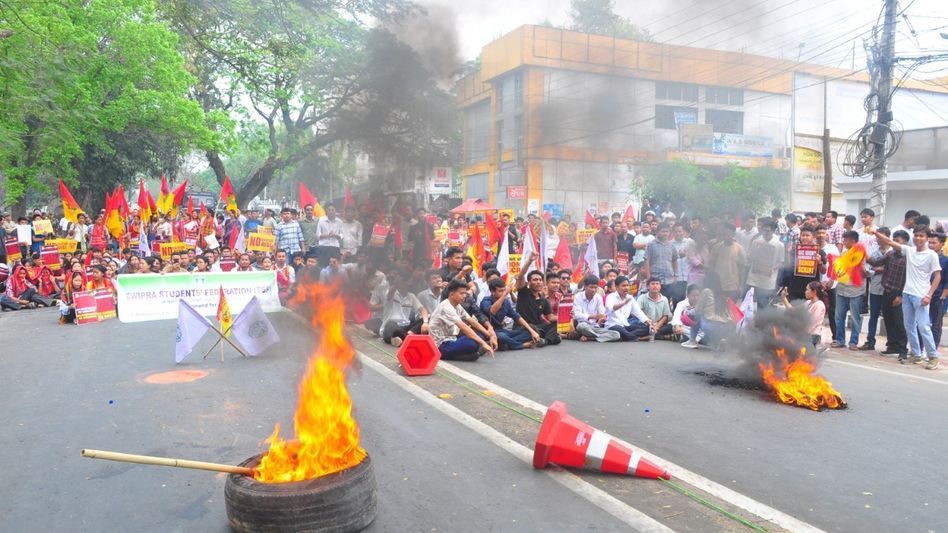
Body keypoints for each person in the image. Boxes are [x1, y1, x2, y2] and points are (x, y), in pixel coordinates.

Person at [870, 226, 941, 369]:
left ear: (927, 238)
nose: (918, 238)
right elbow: (890, 242)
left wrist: (929, 295)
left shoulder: (931, 255)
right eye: (916, 235)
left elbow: (937, 276)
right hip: (907, 294)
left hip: (921, 296)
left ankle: (933, 356)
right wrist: (875, 233)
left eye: (921, 236)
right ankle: (916, 355)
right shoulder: (909, 251)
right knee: (909, 326)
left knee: (923, 326)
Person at [427, 279, 495, 361]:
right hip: (441, 345)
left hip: (452, 339)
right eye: (461, 293)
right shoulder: (446, 307)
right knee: (472, 344)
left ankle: (472, 354)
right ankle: (455, 355)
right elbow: (463, 327)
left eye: (465, 293)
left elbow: (472, 321)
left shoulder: (457, 305)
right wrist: (483, 343)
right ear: (452, 294)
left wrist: (489, 335)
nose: (464, 296)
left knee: (480, 335)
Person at [480, 279, 543, 350]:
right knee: (502, 337)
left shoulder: (506, 302)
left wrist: (531, 331)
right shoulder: (486, 300)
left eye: (504, 290)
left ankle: (505, 344)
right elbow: (492, 311)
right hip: (488, 332)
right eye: (500, 291)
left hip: (501, 331)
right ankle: (520, 345)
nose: (503, 292)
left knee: (529, 333)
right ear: (492, 292)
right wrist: (505, 294)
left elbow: (517, 317)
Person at [514, 253, 561, 345]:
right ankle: (548, 337)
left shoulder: (544, 300)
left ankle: (544, 340)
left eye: (540, 280)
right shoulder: (523, 292)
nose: (538, 282)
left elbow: (551, 317)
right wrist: (530, 261)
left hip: (538, 326)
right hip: (523, 326)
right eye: (535, 280)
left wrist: (566, 317)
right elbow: (521, 276)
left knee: (555, 325)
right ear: (528, 282)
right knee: (532, 329)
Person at [373, 269, 428, 347]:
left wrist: (425, 322)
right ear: (402, 283)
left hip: (405, 328)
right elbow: (389, 294)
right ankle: (407, 338)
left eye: (410, 282)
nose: (410, 284)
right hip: (391, 328)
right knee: (390, 324)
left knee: (426, 319)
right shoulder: (391, 293)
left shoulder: (411, 296)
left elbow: (423, 309)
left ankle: (403, 338)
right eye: (408, 282)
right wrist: (397, 282)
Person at [682, 273, 732, 349]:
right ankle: (720, 341)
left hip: (711, 325)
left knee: (697, 316)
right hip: (726, 326)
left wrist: (687, 313)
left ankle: (692, 341)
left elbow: (697, 309)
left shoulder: (707, 291)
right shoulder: (722, 294)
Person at [746, 218, 784, 309]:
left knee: (764, 302)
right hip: (755, 277)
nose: (765, 233)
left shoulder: (779, 245)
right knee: (751, 301)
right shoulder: (756, 242)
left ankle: (762, 320)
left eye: (768, 231)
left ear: (773, 231)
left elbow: (781, 262)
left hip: (768, 279)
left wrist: (772, 268)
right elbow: (750, 257)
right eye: (764, 230)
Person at [571, 275, 621, 342]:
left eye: (595, 287)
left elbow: (602, 313)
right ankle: (598, 337)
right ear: (585, 286)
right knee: (582, 326)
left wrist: (602, 319)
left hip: (595, 327)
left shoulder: (598, 297)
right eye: (591, 287)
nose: (593, 290)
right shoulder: (578, 297)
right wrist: (594, 316)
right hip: (583, 326)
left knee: (616, 334)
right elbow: (577, 315)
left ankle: (590, 337)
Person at [604, 276, 651, 341]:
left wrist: (647, 321)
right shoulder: (611, 297)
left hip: (625, 325)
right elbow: (611, 308)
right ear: (617, 287)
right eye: (623, 286)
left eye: (627, 285)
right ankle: (639, 338)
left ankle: (625, 336)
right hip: (613, 325)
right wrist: (623, 304)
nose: (626, 288)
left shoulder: (630, 298)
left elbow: (638, 312)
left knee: (648, 328)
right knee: (620, 330)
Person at [782, 282, 827, 347]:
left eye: (807, 289)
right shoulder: (808, 302)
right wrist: (784, 297)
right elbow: (793, 311)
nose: (805, 292)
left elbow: (812, 323)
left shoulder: (819, 304)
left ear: (814, 292)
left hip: (813, 336)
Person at [709, 223, 746, 302]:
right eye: (724, 234)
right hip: (718, 285)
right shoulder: (716, 247)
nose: (726, 236)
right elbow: (711, 266)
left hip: (733, 286)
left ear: (733, 234)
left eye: (728, 234)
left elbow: (743, 269)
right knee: (719, 310)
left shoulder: (739, 249)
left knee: (731, 310)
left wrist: (741, 286)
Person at [642, 223, 679, 303]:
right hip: (655, 279)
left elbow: (675, 260)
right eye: (663, 231)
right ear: (658, 232)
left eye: (667, 232)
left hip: (669, 279)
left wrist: (676, 275)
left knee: (666, 302)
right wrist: (648, 277)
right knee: (654, 301)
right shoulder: (651, 245)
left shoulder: (672, 246)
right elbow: (646, 261)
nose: (665, 234)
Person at [928, 232, 948, 347]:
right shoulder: (926, 256)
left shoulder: (945, 261)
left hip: (938, 295)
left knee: (936, 324)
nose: (931, 245)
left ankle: (933, 348)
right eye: (929, 242)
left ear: (941, 244)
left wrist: (943, 296)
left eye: (934, 243)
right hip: (924, 293)